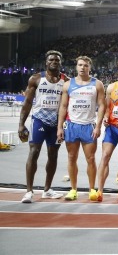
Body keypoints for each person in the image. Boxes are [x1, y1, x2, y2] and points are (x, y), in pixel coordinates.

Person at [18, 50, 69, 203]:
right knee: (34, 152)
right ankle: (29, 191)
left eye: (57, 60)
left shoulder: (66, 81)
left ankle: (47, 190)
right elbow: (27, 103)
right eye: (51, 60)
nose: (54, 62)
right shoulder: (36, 79)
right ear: (46, 62)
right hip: (39, 120)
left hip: (56, 123)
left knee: (53, 155)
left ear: (61, 63)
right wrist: (21, 124)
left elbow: (68, 105)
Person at [57, 56, 106, 201]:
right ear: (76, 67)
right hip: (72, 126)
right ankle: (73, 189)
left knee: (90, 159)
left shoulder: (97, 84)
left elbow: (102, 105)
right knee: (72, 158)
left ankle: (92, 189)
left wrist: (98, 125)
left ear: (90, 67)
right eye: (80, 65)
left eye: (85, 65)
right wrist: (60, 127)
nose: (82, 67)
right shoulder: (68, 84)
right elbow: (63, 106)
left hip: (88, 126)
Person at [95, 60, 118, 202]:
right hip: (112, 128)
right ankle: (99, 191)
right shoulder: (111, 87)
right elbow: (106, 106)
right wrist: (104, 117)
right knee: (105, 157)